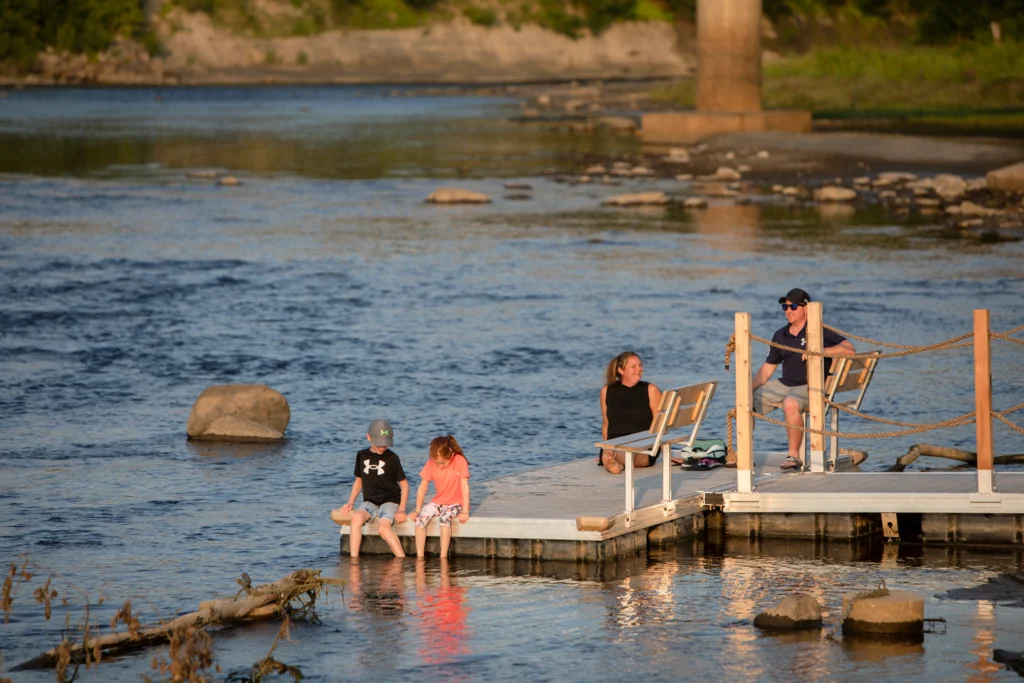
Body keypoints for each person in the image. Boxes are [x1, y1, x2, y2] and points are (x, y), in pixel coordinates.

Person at [751, 287, 856, 470]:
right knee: (746, 400)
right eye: (785, 307)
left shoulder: (819, 331)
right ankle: (744, 453)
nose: (788, 311)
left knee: (790, 403)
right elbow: (768, 369)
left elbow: (849, 350)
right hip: (785, 384)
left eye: (792, 306)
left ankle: (793, 456)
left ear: (806, 308)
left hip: (810, 386)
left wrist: (820, 352)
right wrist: (745, 390)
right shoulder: (780, 335)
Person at [337, 418, 409, 558]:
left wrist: (402, 509)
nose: (382, 447)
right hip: (370, 501)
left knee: (383, 528)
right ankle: (354, 560)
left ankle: (401, 559)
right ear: (368, 437)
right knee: (356, 518)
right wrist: (350, 502)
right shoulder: (361, 456)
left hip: (390, 500)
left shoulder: (393, 458)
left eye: (385, 444)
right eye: (379, 444)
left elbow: (405, 486)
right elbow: (359, 482)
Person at [599, 351, 663, 474]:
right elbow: (606, 424)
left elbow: (660, 424)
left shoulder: (651, 390)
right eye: (633, 366)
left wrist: (664, 452)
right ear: (621, 371)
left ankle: (612, 461)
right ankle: (612, 460)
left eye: (640, 365)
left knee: (623, 453)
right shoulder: (606, 391)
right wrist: (606, 446)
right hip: (615, 443)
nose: (639, 369)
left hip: (643, 447)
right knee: (608, 450)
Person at [413, 434, 471, 558]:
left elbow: (464, 487)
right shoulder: (431, 463)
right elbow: (423, 487)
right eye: (436, 463)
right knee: (420, 519)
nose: (439, 466)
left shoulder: (460, 461)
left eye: (442, 463)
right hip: (439, 501)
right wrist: (417, 509)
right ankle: (420, 556)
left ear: (450, 454)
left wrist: (465, 511)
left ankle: (443, 557)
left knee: (444, 518)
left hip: (456, 503)